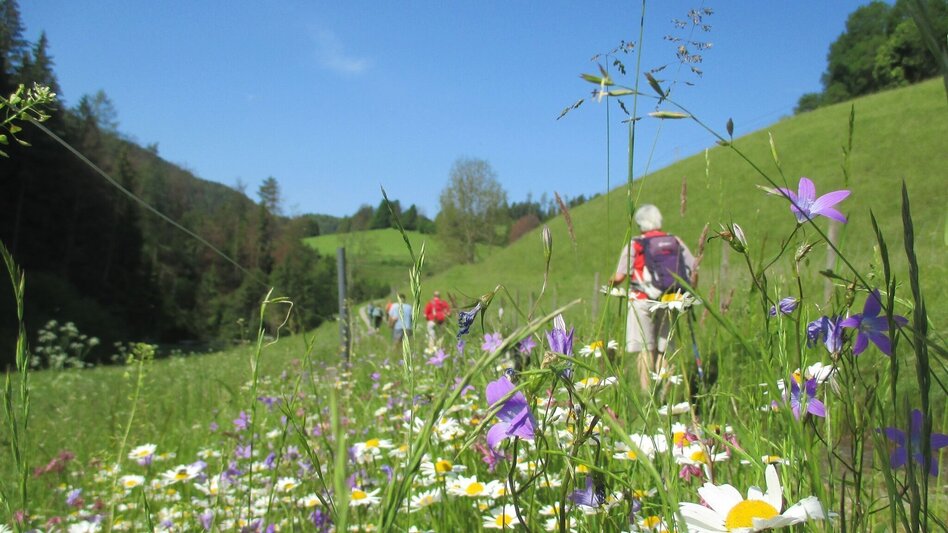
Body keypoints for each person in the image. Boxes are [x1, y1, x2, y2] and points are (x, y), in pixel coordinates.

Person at [608, 204, 695, 391]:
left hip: (641, 300)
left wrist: (609, 285)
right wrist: (689, 292)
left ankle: (648, 398)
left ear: (640, 224)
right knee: (665, 348)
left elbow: (620, 277)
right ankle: (665, 395)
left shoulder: (635, 244)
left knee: (645, 349)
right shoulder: (675, 240)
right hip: (669, 299)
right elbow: (694, 267)